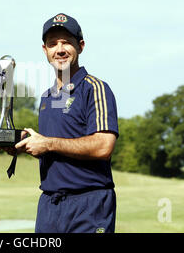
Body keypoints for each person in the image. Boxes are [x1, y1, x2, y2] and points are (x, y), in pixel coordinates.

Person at [15, 13, 119, 233]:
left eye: (66, 42)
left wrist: (48, 144)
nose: (59, 49)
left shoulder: (95, 88)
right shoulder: (46, 97)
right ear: (45, 50)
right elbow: (50, 147)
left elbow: (103, 146)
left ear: (80, 46)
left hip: (89, 205)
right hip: (50, 206)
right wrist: (25, 144)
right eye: (53, 43)